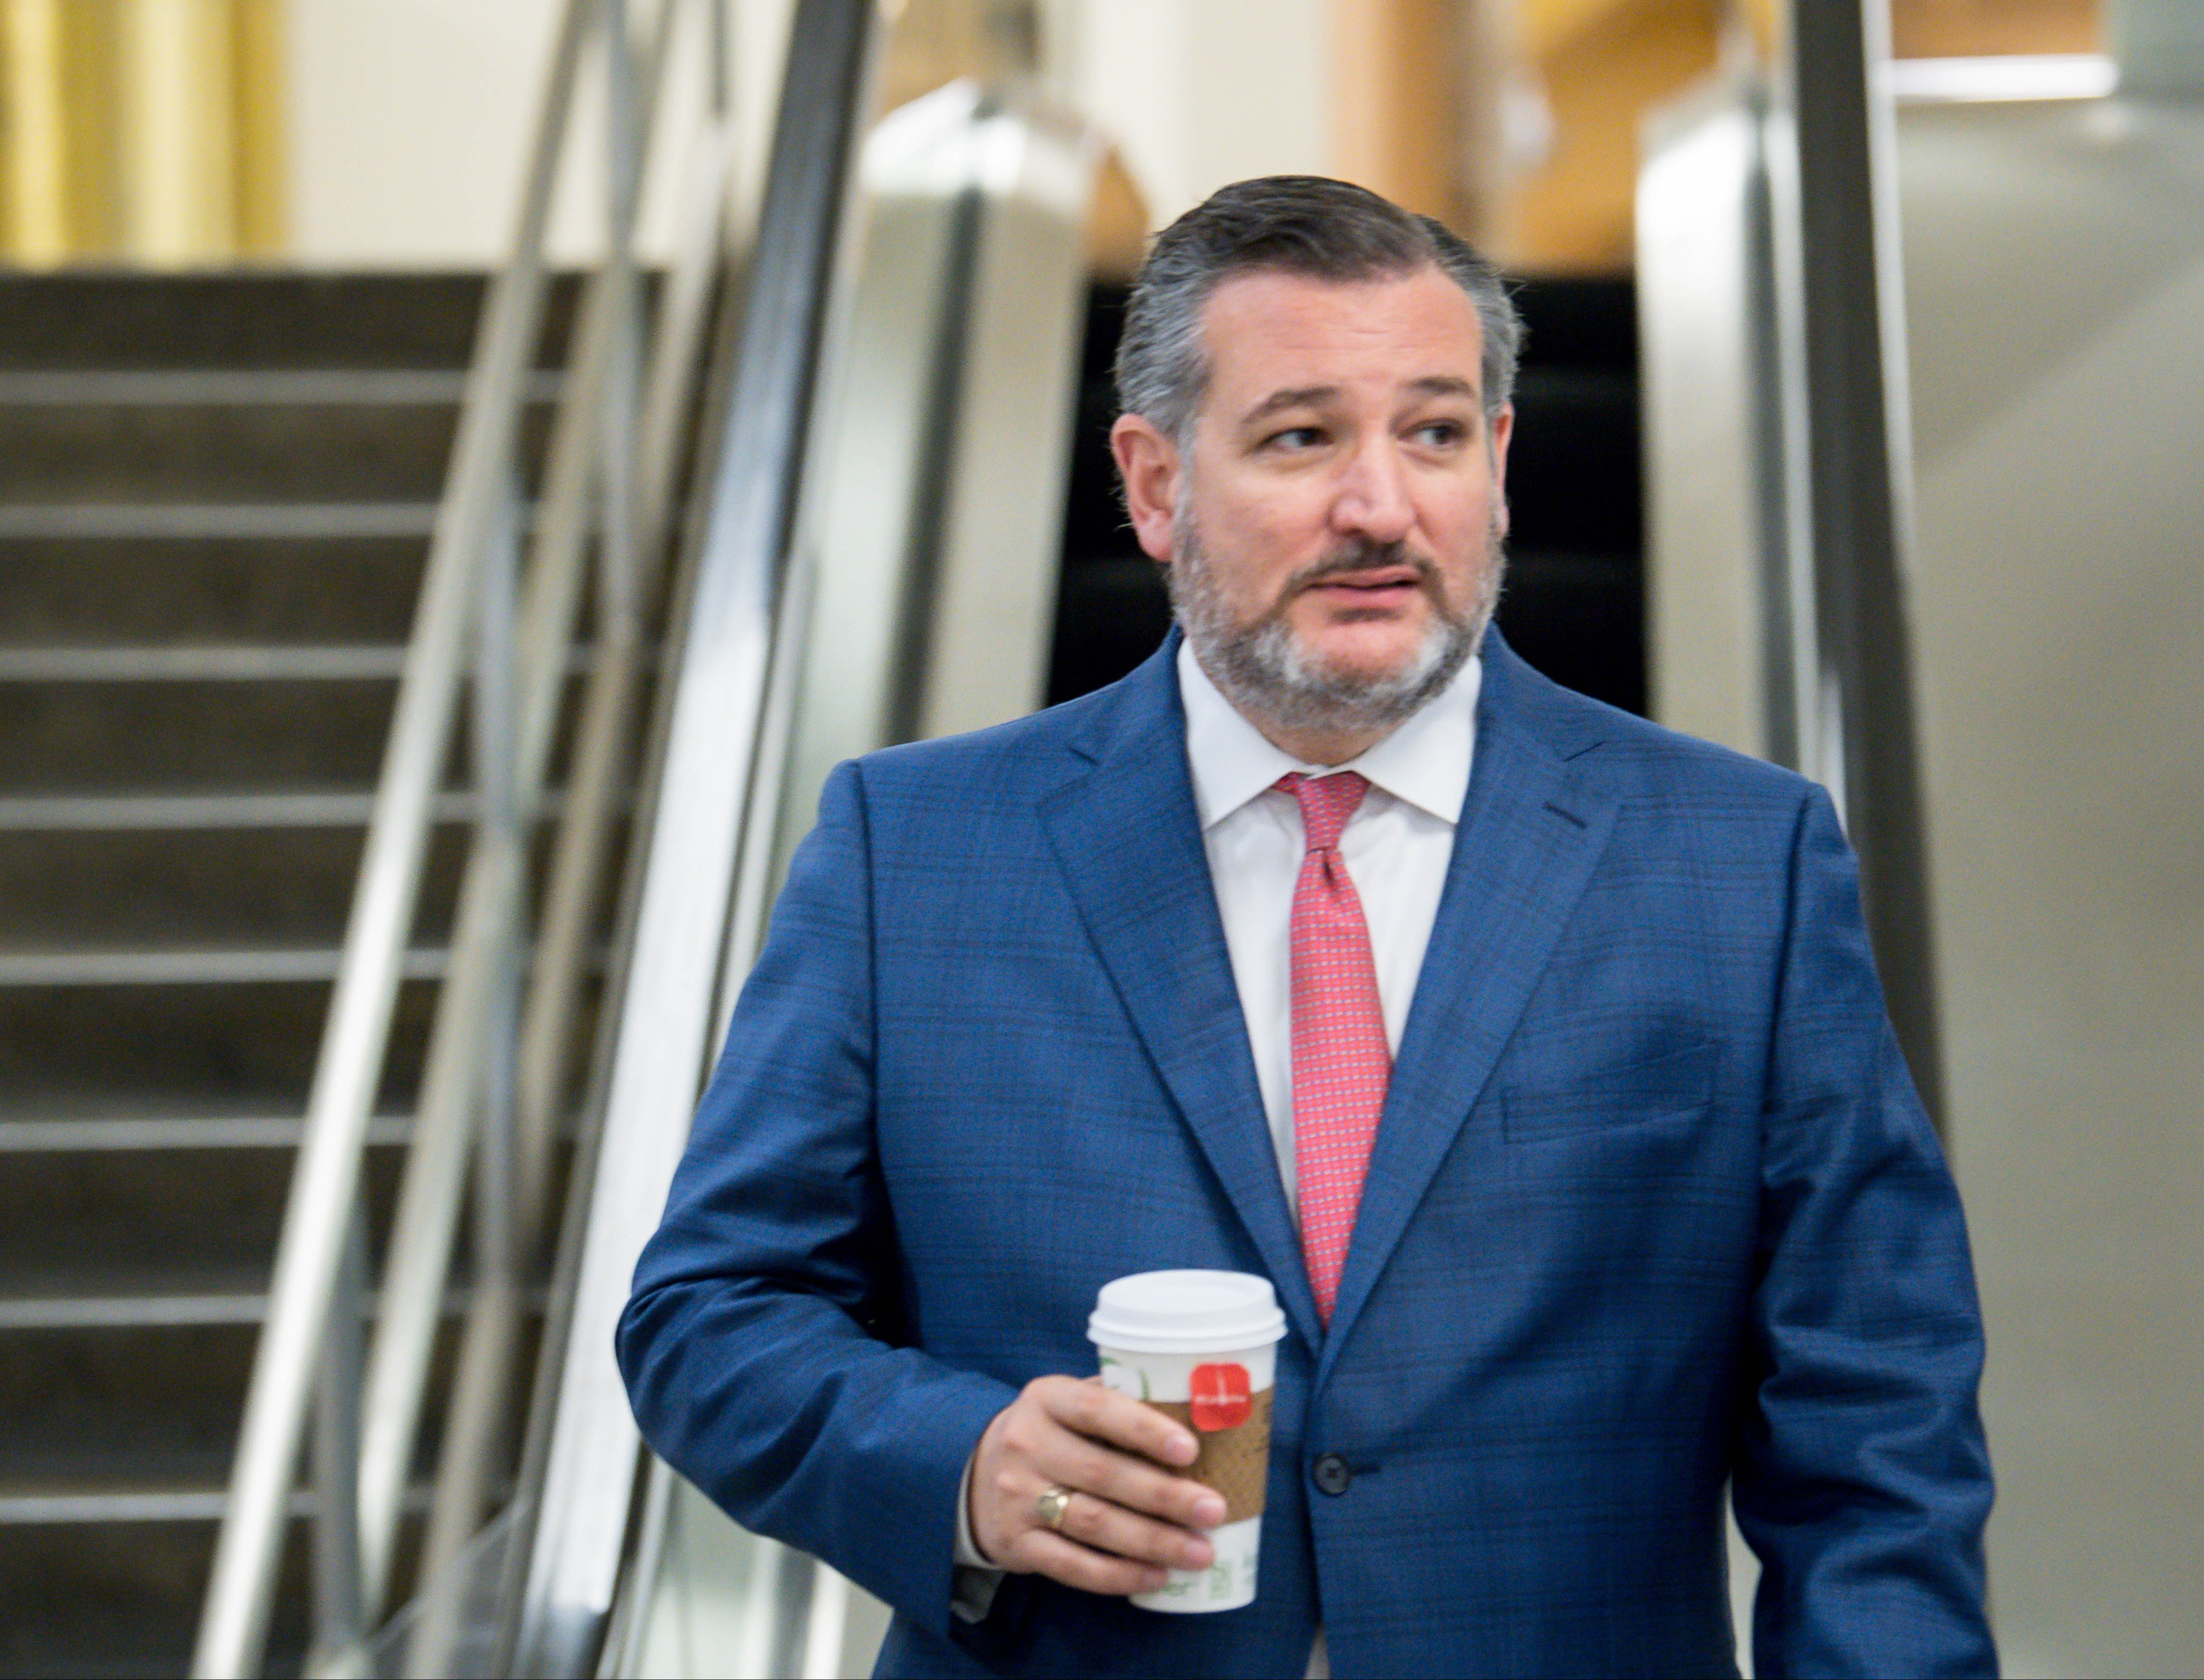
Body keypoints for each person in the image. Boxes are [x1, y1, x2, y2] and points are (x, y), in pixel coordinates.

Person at [617, 175, 1995, 1678]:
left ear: (1503, 463)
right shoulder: (916, 851)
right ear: (1152, 487)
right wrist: (957, 1466)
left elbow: (1878, 1428)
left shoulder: (1738, 860)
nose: (1379, 508)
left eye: (1434, 432)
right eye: (1300, 437)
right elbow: (712, 1314)